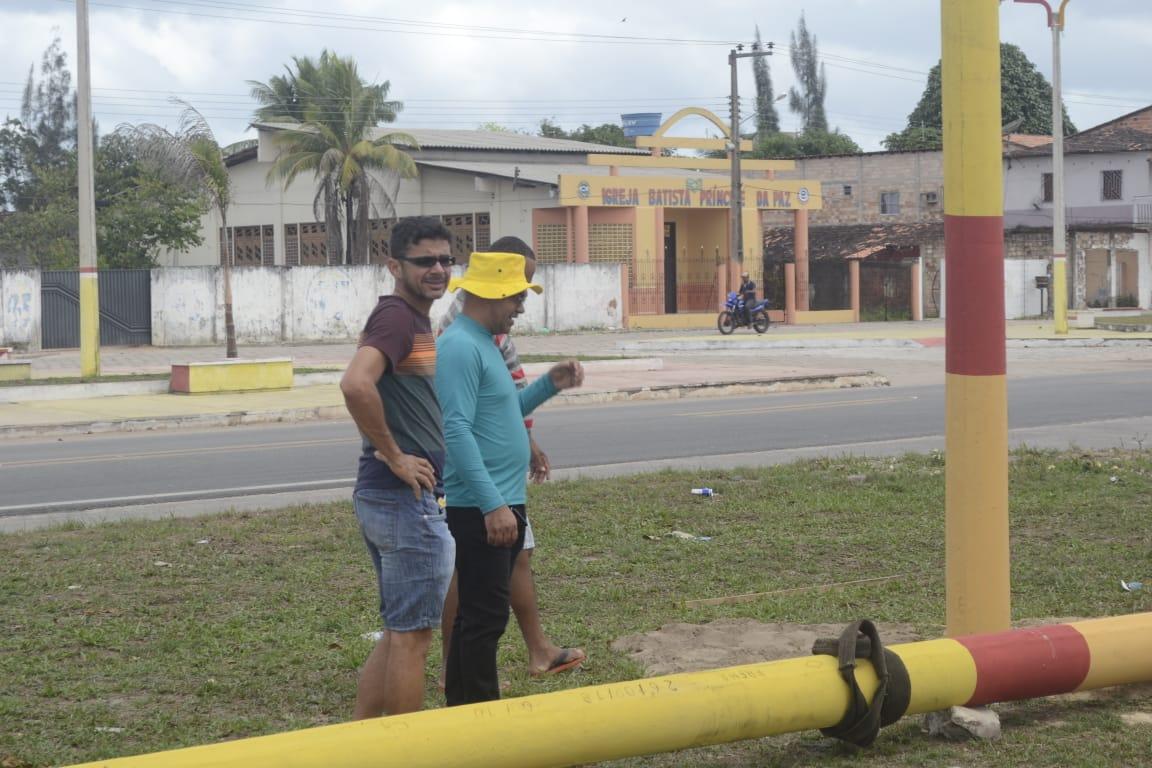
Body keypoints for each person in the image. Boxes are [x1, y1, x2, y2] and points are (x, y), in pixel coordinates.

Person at [436, 249, 585, 705]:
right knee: (483, 620)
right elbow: (456, 428)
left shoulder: (484, 342)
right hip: (484, 506)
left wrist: (548, 384)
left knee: (479, 619)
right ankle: (482, 724)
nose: (521, 307)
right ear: (493, 294)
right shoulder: (460, 346)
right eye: (517, 297)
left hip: (501, 501)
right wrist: (491, 505)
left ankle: (464, 719)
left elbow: (503, 414)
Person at [339, 216, 457, 719]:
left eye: (446, 260)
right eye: (424, 260)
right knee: (413, 641)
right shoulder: (396, 318)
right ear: (394, 266)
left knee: (398, 632)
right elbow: (354, 384)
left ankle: (360, 745)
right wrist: (394, 454)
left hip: (382, 497)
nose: (437, 269)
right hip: (401, 500)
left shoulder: (413, 319)